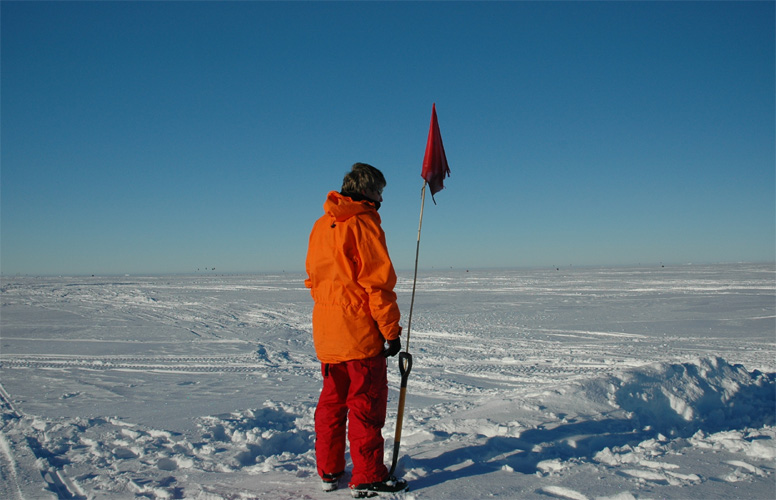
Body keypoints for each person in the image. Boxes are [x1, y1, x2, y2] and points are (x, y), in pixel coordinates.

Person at [305, 163, 408, 497]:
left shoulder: (322, 225)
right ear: (367, 192)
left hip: (328, 334)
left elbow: (314, 279)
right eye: (379, 191)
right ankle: (367, 475)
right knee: (366, 405)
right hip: (360, 337)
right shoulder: (363, 224)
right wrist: (390, 332)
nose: (382, 198)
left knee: (332, 404)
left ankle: (329, 471)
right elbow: (377, 285)